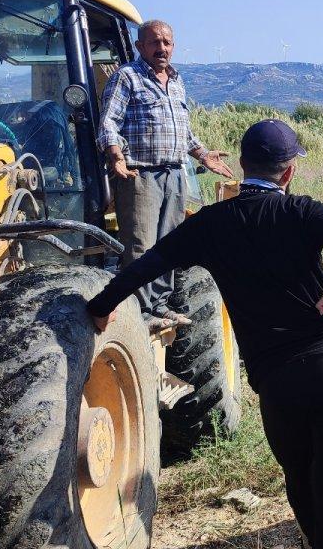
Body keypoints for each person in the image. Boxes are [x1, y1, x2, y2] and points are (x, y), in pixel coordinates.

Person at [87, 119, 323, 549]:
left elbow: (148, 264)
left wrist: (101, 306)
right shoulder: (299, 209)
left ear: (241, 167)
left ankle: (314, 546)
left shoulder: (211, 224)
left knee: (297, 467)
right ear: (289, 171)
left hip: (277, 375)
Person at [97, 19, 234, 328]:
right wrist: (116, 156)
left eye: (167, 43)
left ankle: (160, 305)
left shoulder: (175, 81)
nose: (162, 48)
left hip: (174, 174)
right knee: (141, 246)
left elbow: (182, 131)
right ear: (139, 46)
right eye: (154, 42)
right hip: (140, 176)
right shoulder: (127, 77)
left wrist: (201, 153)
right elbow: (109, 123)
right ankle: (141, 311)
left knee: (170, 245)